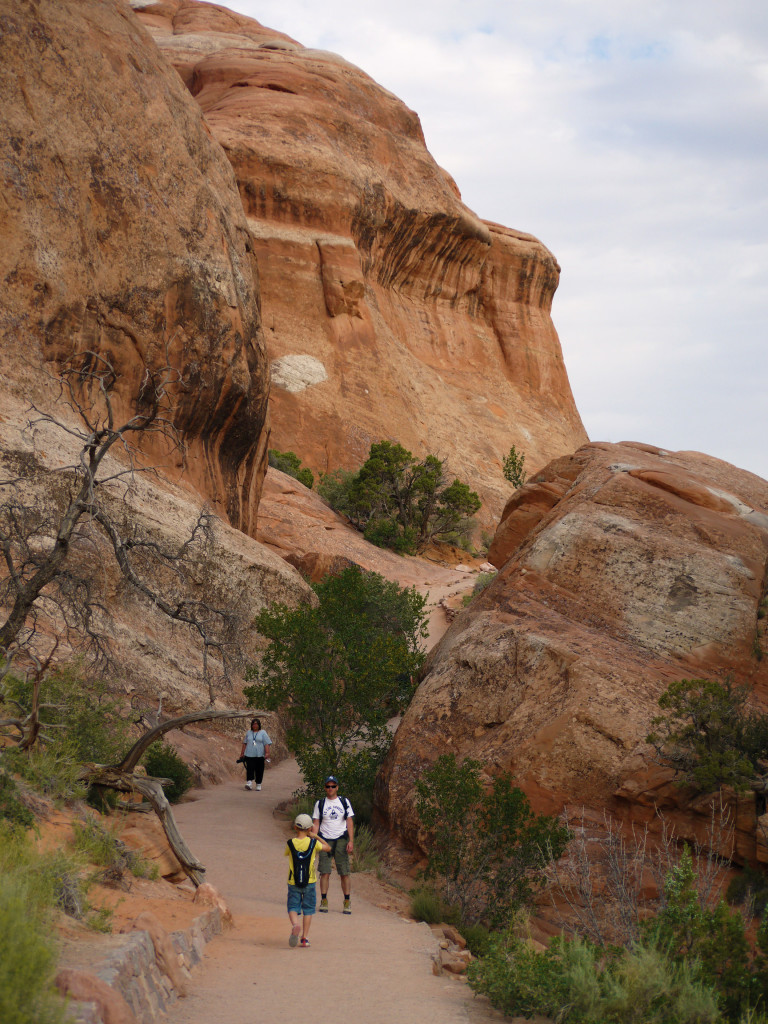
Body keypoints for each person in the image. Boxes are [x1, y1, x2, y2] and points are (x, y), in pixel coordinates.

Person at [285, 813, 330, 948]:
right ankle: (304, 938)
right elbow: (328, 848)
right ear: (310, 828)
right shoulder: (313, 843)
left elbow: (287, 854)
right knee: (308, 909)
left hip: (293, 881)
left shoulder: (290, 843)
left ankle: (295, 924)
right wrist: (316, 836)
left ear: (295, 827)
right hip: (310, 881)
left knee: (293, 907)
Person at [312, 775, 354, 915]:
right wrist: (314, 840)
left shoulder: (344, 801)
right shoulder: (320, 803)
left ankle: (347, 901)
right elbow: (316, 823)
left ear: (337, 787)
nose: (330, 789)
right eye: (328, 786)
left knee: (344, 872)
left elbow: (349, 821)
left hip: (341, 839)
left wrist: (351, 841)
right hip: (325, 839)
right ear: (325, 788)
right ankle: (324, 900)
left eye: (333, 786)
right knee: (325, 871)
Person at [240, 718, 272, 791]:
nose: (255, 725)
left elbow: (266, 743)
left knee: (259, 769)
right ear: (251, 725)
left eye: (256, 724)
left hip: (259, 755)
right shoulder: (249, 732)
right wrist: (242, 753)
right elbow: (245, 743)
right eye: (253, 724)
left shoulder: (263, 732)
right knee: (249, 768)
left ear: (259, 725)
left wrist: (267, 753)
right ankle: (249, 783)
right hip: (249, 754)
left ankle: (258, 784)